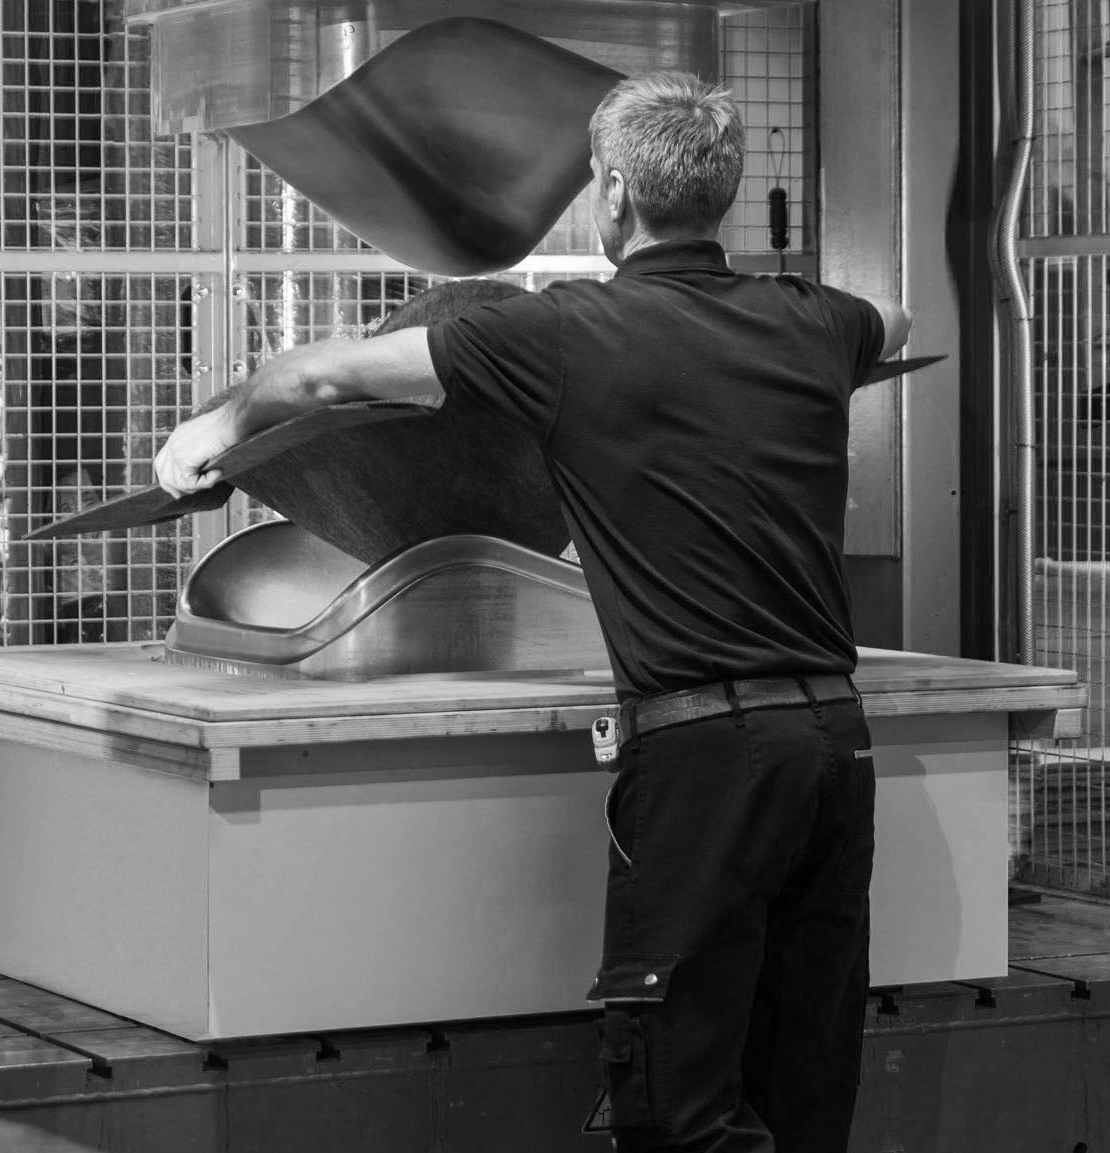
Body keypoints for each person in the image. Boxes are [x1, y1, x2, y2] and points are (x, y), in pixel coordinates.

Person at [156, 71, 911, 1153]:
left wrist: (213, 432)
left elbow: (326, 382)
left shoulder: (567, 336)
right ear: (724, 196)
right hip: (836, 749)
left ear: (609, 194)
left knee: (680, 1107)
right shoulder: (817, 321)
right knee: (806, 1084)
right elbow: (901, 315)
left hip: (705, 761)